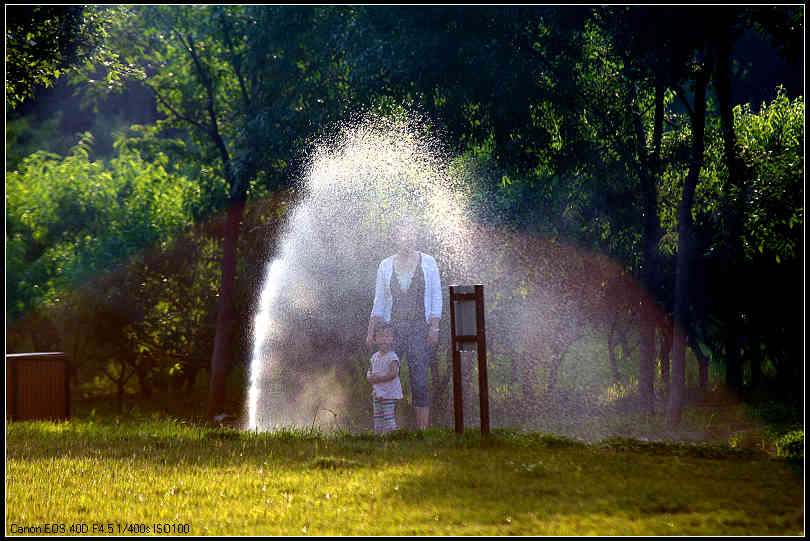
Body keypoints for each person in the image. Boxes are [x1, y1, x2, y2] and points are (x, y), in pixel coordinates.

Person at [367, 219, 442, 430]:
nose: (407, 240)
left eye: (410, 236)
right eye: (402, 236)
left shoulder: (428, 262)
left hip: (421, 328)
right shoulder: (385, 265)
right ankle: (387, 426)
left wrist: (434, 327)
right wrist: (371, 330)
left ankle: (422, 431)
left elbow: (436, 297)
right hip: (392, 330)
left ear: (415, 237)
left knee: (419, 378)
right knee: (386, 374)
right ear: (396, 239)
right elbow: (379, 300)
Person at [366, 322, 403, 434]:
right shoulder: (374, 356)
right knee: (378, 416)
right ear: (375, 339)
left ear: (393, 340)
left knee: (388, 416)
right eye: (380, 336)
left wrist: (379, 379)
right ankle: (378, 435)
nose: (384, 339)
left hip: (389, 393)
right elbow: (370, 370)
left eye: (387, 336)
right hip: (377, 392)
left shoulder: (392, 357)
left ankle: (393, 434)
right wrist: (369, 377)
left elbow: (393, 374)